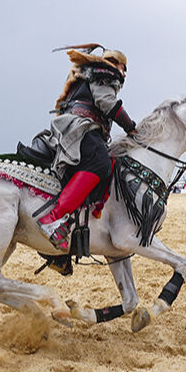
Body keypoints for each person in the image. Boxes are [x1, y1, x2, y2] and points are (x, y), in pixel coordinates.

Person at [35, 44, 137, 251]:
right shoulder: (104, 74)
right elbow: (107, 103)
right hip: (81, 128)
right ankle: (54, 219)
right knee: (100, 164)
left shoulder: (85, 75)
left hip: (69, 126)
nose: (124, 73)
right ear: (114, 64)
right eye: (123, 67)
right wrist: (131, 127)